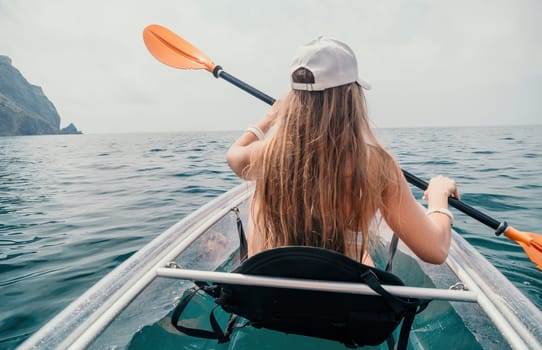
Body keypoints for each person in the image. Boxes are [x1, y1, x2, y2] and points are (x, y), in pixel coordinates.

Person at [226, 36, 459, 266]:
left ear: (294, 98)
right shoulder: (375, 164)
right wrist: (438, 196)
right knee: (361, 257)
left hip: (273, 298)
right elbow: (436, 251)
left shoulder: (266, 156)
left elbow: (234, 155)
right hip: (341, 298)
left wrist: (269, 118)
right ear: (350, 94)